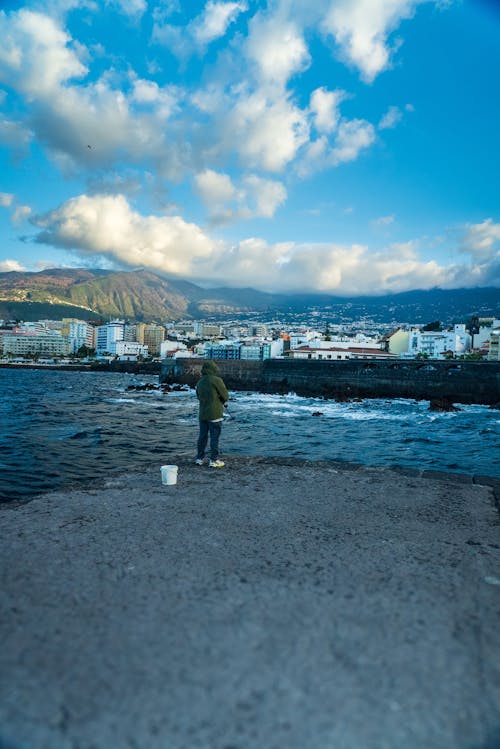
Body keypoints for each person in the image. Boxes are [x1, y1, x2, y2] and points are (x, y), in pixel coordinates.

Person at [195, 360, 229, 468]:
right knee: (214, 437)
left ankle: (199, 459)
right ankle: (213, 460)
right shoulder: (216, 380)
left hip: (203, 414)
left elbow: (199, 397)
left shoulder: (200, 382)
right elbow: (225, 396)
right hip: (214, 414)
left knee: (202, 436)